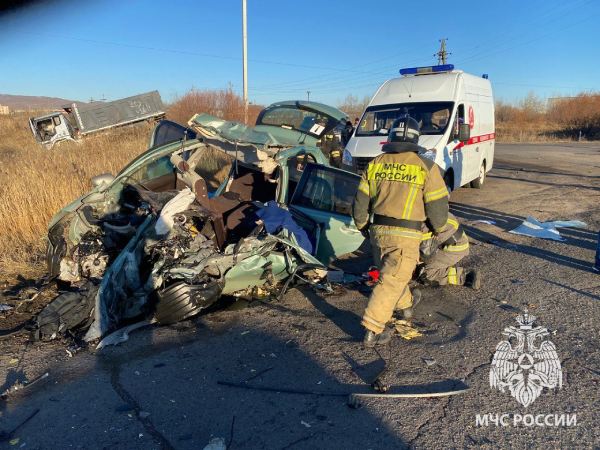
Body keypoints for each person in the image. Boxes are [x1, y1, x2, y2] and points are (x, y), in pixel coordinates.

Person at [352, 116, 449, 347]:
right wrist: (438, 229)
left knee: (392, 274)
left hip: (377, 232)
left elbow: (359, 202)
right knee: (392, 280)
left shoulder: (376, 163)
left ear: (391, 138)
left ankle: (405, 307)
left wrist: (362, 225)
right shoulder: (426, 166)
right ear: (416, 140)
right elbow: (437, 206)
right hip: (406, 234)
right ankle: (372, 328)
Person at [417, 212, 481, 289]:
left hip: (453, 247)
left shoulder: (416, 222)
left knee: (422, 272)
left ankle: (464, 277)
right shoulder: (422, 207)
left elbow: (424, 252)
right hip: (453, 240)